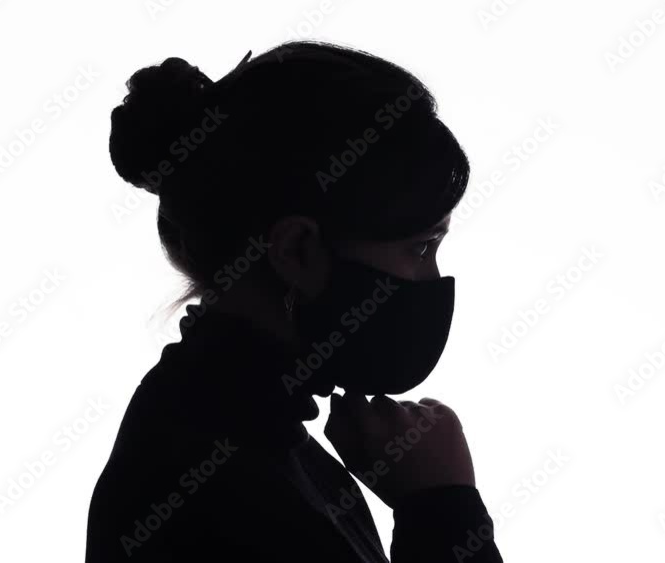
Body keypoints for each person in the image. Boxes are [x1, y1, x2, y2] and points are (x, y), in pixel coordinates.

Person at [84, 40, 504, 562]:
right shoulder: (225, 491)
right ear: (297, 251)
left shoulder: (248, 442)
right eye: (420, 247)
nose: (431, 278)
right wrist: (442, 508)